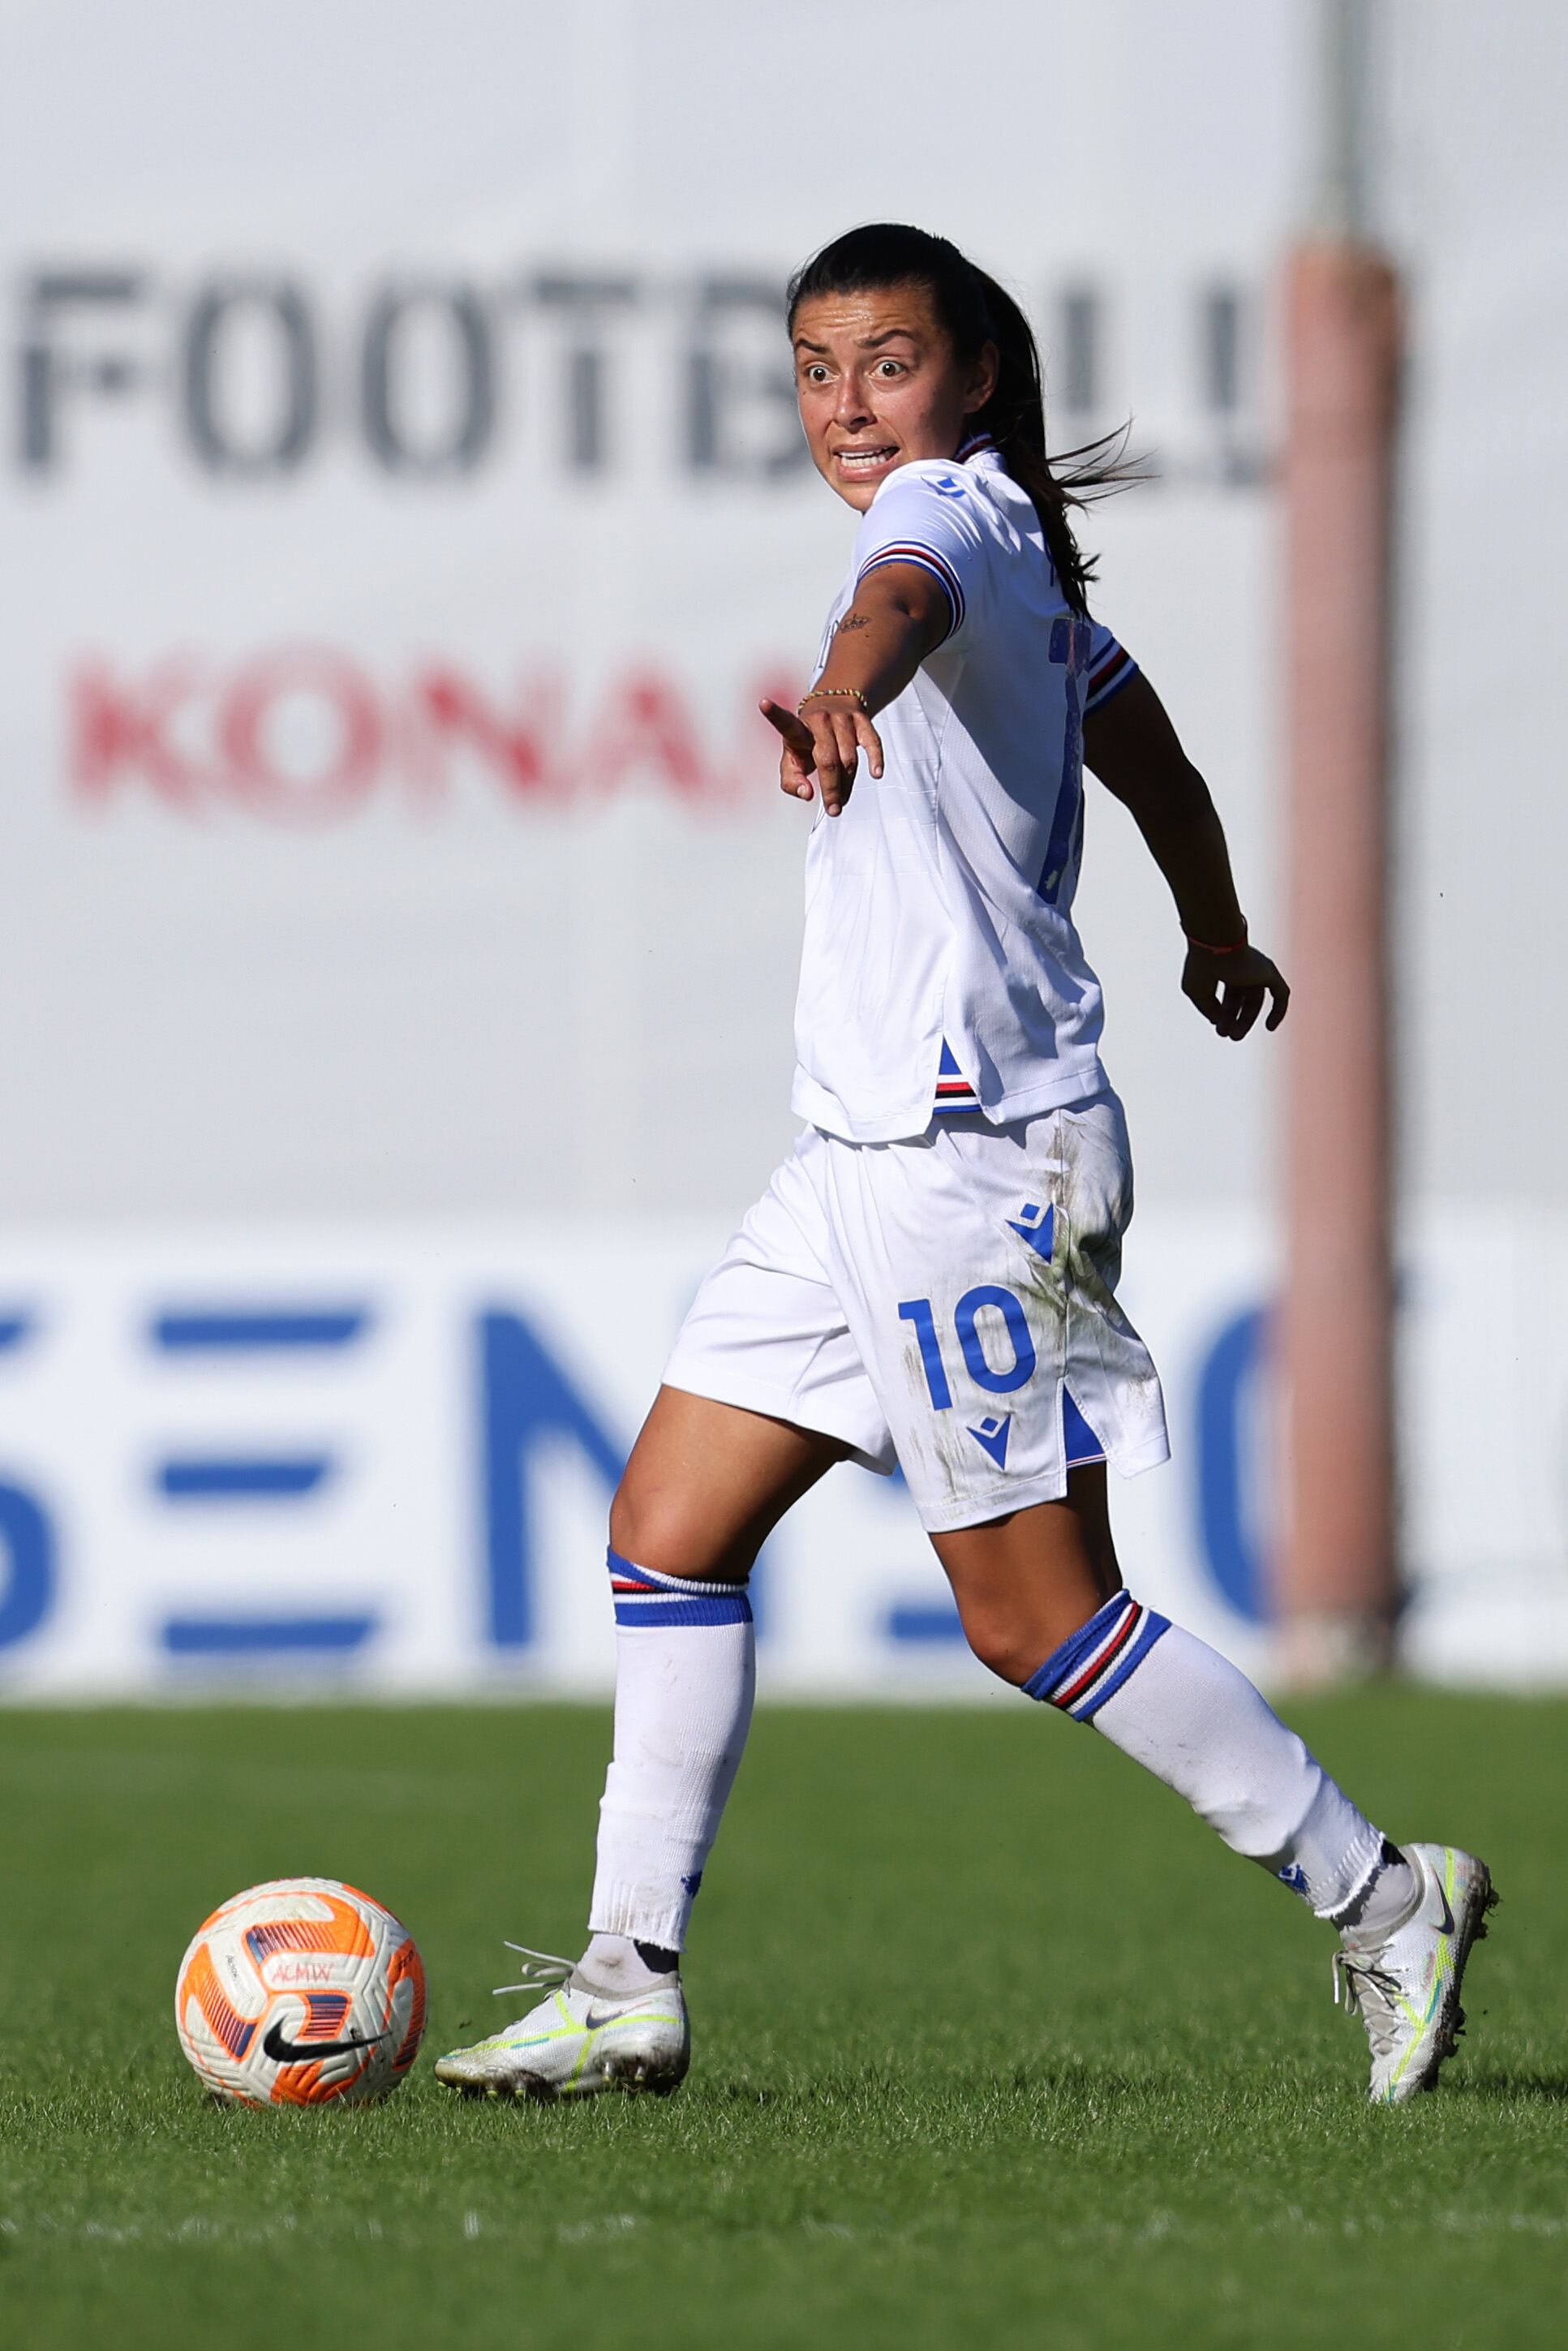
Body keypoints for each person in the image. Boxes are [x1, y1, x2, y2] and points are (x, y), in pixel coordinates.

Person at [435, 223, 1493, 2110]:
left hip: (969, 1155)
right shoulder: (1013, 541)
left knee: (1038, 1617)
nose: (851, 405)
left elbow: (898, 596)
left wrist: (845, 680)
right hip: (851, 1155)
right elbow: (1129, 722)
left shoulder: (940, 516)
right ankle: (626, 1978)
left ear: (975, 372)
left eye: (889, 361)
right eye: (818, 371)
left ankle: (1383, 1892)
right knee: (665, 1538)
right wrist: (1212, 914)